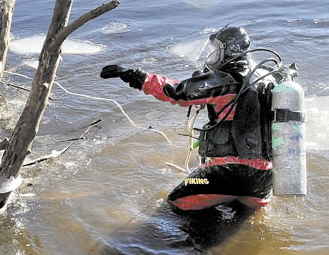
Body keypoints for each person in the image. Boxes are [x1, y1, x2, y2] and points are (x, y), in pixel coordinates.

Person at [100, 26, 277, 212]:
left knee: (177, 201)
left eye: (216, 51)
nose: (213, 55)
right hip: (264, 177)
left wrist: (135, 76)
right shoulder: (267, 76)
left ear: (229, 51)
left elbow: (178, 92)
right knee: (243, 215)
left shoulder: (226, 79)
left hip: (225, 172)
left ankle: (199, 239)